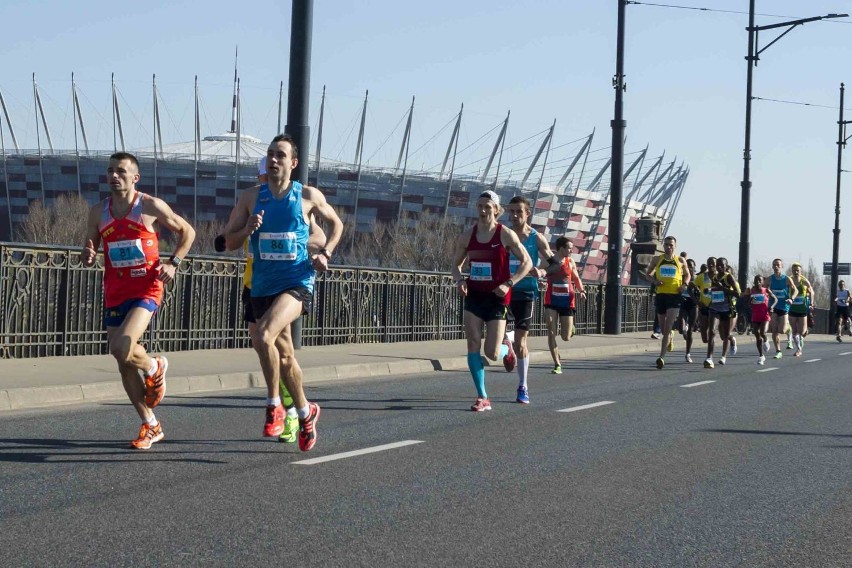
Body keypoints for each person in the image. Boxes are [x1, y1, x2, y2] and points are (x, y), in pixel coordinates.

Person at [223, 134, 343, 451]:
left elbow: (337, 226)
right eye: (270, 154)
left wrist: (326, 253)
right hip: (262, 283)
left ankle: (274, 405)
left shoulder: (308, 196)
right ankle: (306, 412)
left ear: (293, 163)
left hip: (297, 282)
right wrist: (247, 229)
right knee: (286, 356)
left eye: (281, 155)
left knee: (262, 335)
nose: (274, 160)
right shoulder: (251, 198)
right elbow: (228, 241)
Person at [81, 152, 196, 450]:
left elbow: (188, 232)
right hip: (115, 291)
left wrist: (173, 262)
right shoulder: (98, 211)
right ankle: (151, 424)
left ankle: (155, 367)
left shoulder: (149, 206)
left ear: (135, 177)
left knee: (121, 347)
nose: (114, 176)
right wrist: (88, 254)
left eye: (121, 171)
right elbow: (89, 245)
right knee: (122, 361)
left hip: (147, 287)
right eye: (110, 171)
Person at [450, 190, 532, 411]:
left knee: (492, 353)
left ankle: (508, 350)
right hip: (474, 296)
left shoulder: (505, 235)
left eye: (488, 207)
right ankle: (482, 396)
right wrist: (459, 281)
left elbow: (527, 262)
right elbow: (455, 266)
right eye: (480, 206)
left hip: (497, 298)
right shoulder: (468, 236)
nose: (483, 210)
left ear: (496, 210)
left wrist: (509, 283)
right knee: (472, 343)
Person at [505, 196, 553, 403]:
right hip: (504, 290)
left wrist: (542, 271)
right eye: (512, 211)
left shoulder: (537, 238)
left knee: (521, 341)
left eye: (519, 212)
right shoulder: (504, 235)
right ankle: (508, 345)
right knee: (498, 334)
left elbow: (554, 263)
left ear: (527, 214)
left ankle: (522, 386)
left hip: (526, 292)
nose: (515, 215)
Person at [645, 235, 691, 369]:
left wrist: (685, 284)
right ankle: (669, 335)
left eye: (671, 245)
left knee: (668, 325)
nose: (668, 247)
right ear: (663, 246)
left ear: (675, 246)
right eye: (666, 245)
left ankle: (661, 357)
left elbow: (687, 275)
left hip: (674, 296)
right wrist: (654, 281)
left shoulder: (680, 260)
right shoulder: (657, 259)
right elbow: (647, 274)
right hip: (661, 295)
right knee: (663, 327)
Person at [543, 236, 586, 374]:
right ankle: (557, 364)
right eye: (569, 248)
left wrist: (582, 291)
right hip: (551, 300)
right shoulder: (549, 262)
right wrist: (538, 279)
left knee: (565, 337)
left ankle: (570, 327)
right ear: (561, 248)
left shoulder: (570, 261)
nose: (571, 251)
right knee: (551, 332)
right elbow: (537, 271)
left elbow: (576, 278)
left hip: (567, 300)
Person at [766, 258, 797, 359]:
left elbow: (795, 290)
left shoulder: (787, 279)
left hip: (784, 306)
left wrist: (791, 298)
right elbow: (762, 288)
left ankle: (789, 330)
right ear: (772, 266)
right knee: (774, 330)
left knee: (782, 330)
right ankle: (778, 351)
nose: (776, 267)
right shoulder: (769, 279)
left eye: (778, 265)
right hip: (773, 306)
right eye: (774, 265)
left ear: (782, 266)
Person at [743, 275, 777, 365]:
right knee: (757, 335)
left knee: (762, 333)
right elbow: (747, 303)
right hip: (755, 316)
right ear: (753, 281)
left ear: (763, 282)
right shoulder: (751, 291)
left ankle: (766, 339)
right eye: (756, 280)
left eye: (759, 280)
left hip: (765, 316)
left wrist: (772, 307)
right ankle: (761, 356)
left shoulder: (766, 290)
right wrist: (749, 300)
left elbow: (775, 299)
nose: (757, 282)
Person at [788, 262, 814, 357]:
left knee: (802, 332)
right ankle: (799, 349)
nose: (796, 272)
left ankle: (803, 335)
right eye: (794, 270)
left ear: (800, 271)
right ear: (792, 271)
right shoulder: (789, 280)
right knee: (794, 331)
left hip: (802, 309)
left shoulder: (804, 281)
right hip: (792, 309)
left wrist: (811, 303)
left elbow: (812, 292)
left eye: (797, 270)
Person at [677, 257, 699, 363]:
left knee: (690, 330)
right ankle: (684, 329)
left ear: (694, 268)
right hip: (683, 303)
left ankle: (688, 353)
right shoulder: (682, 278)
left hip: (693, 305)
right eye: (688, 266)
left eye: (691, 266)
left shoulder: (697, 280)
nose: (689, 268)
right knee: (680, 329)